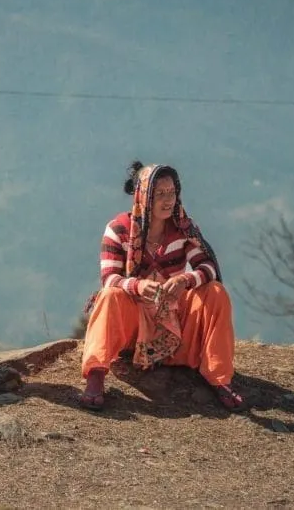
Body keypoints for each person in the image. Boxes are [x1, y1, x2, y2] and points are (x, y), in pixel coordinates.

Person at [79, 160, 245, 411]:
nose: (168, 200)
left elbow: (208, 267)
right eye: (160, 194)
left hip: (173, 317)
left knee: (215, 292)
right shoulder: (118, 229)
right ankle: (96, 375)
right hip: (135, 325)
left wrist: (185, 280)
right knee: (110, 295)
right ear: (143, 197)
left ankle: (219, 377)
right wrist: (137, 286)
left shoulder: (183, 228)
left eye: (172, 192)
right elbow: (109, 278)